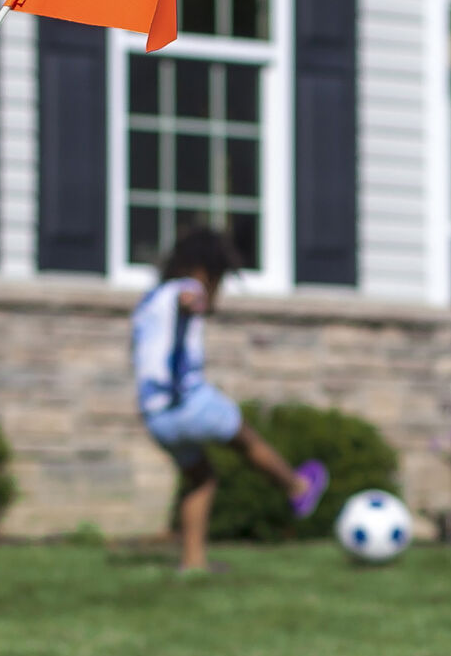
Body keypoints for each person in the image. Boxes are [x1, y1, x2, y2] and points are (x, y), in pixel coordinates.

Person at [131, 228, 326, 572]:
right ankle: (296, 486)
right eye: (218, 282)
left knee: (201, 478)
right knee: (246, 437)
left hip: (156, 416)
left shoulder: (149, 302)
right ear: (204, 272)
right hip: (189, 402)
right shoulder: (187, 289)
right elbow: (189, 298)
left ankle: (193, 563)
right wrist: (196, 301)